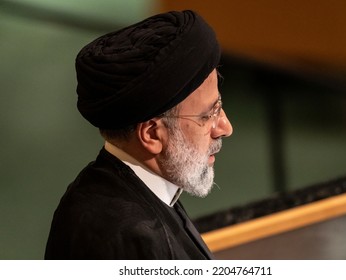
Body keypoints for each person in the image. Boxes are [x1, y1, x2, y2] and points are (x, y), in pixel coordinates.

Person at [45, 10, 233, 260]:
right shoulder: (131, 245)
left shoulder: (108, 189)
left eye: (218, 105)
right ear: (153, 134)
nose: (225, 128)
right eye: (207, 115)